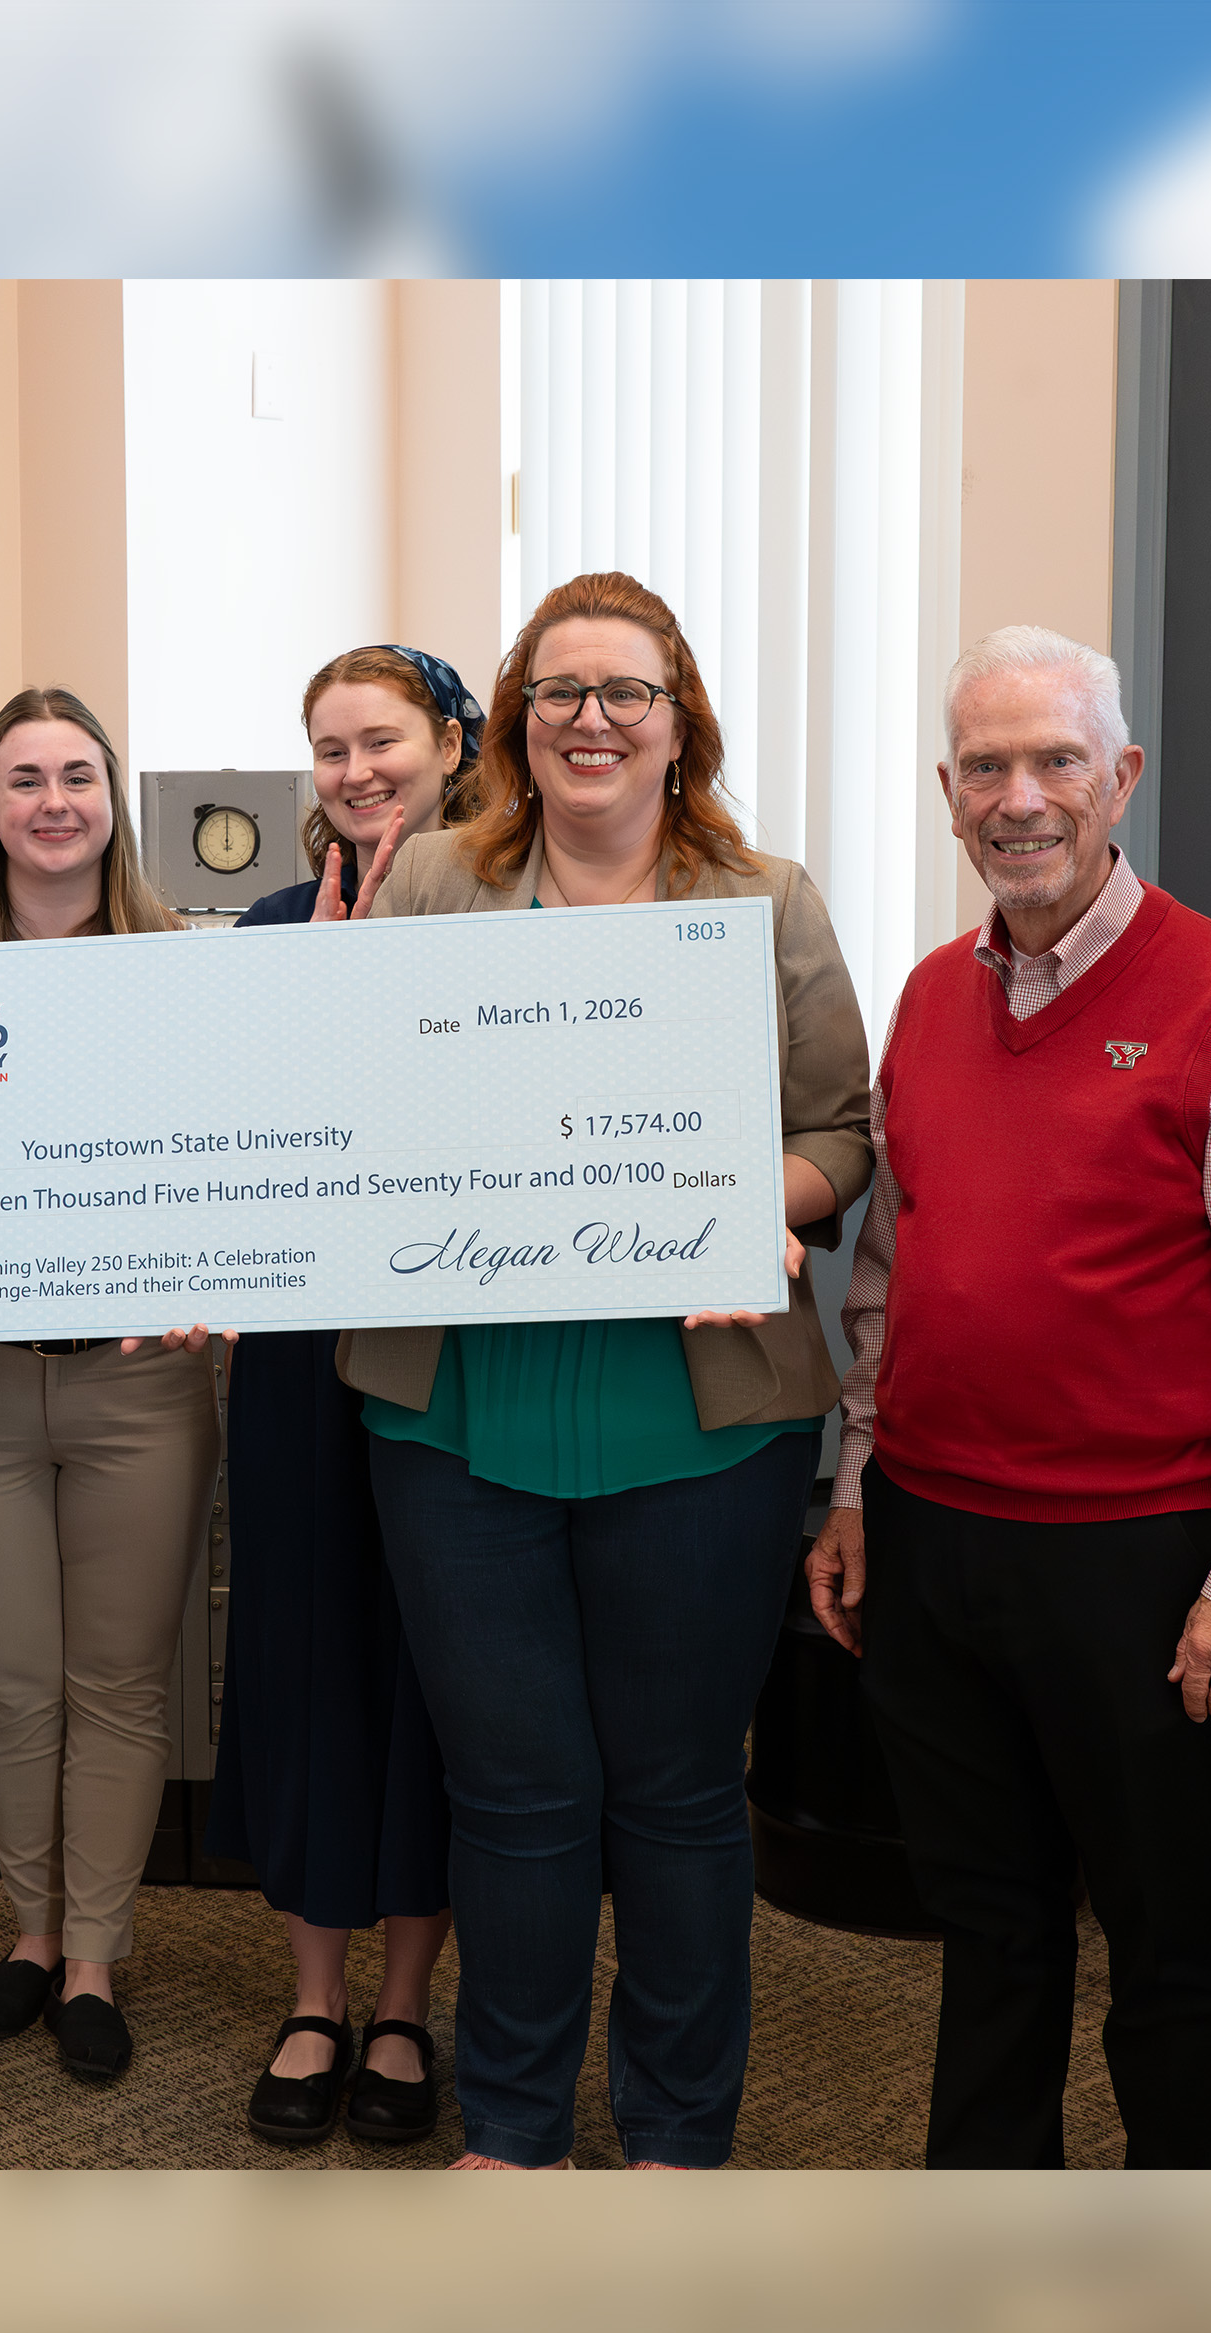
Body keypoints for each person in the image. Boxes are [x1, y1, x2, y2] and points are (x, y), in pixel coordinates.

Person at [804, 623, 1211, 2170]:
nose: (1020, 796)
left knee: (1167, 1939)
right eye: (985, 765)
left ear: (1119, 776)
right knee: (986, 1931)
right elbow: (891, 1278)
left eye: (1056, 759)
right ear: (945, 792)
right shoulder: (928, 1001)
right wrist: (857, 1487)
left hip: (1136, 1559)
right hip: (932, 1540)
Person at [341, 572, 873, 2171]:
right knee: (509, 1793)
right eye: (559, 693)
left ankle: (675, 2140)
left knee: (675, 1797)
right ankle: (510, 2128)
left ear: (679, 722)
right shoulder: (429, 878)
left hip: (699, 1423)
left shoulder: (764, 897)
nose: (591, 720)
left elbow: (841, 1135)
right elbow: (344, 1100)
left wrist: (736, 1206)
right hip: (457, 1407)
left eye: (624, 693)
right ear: (515, 723)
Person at [0, 688, 216, 2088]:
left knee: (123, 1681)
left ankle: (97, 1954)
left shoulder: (178, 963)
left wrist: (224, 1269)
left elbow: (228, 1155)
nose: (53, 802)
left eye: (78, 774)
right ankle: (30, 1935)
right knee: (11, 1682)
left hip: (139, 1389)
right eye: (24, 779)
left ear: (110, 797)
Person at [205, 644, 479, 2146]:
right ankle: (315, 2000)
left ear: (448, 742)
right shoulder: (262, 924)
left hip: (448, 1342)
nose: (356, 772)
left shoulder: (506, 913)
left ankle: (403, 2009)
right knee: (308, 1654)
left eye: (381, 741)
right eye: (329, 750)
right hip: (302, 1359)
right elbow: (223, 1135)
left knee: (429, 1665)